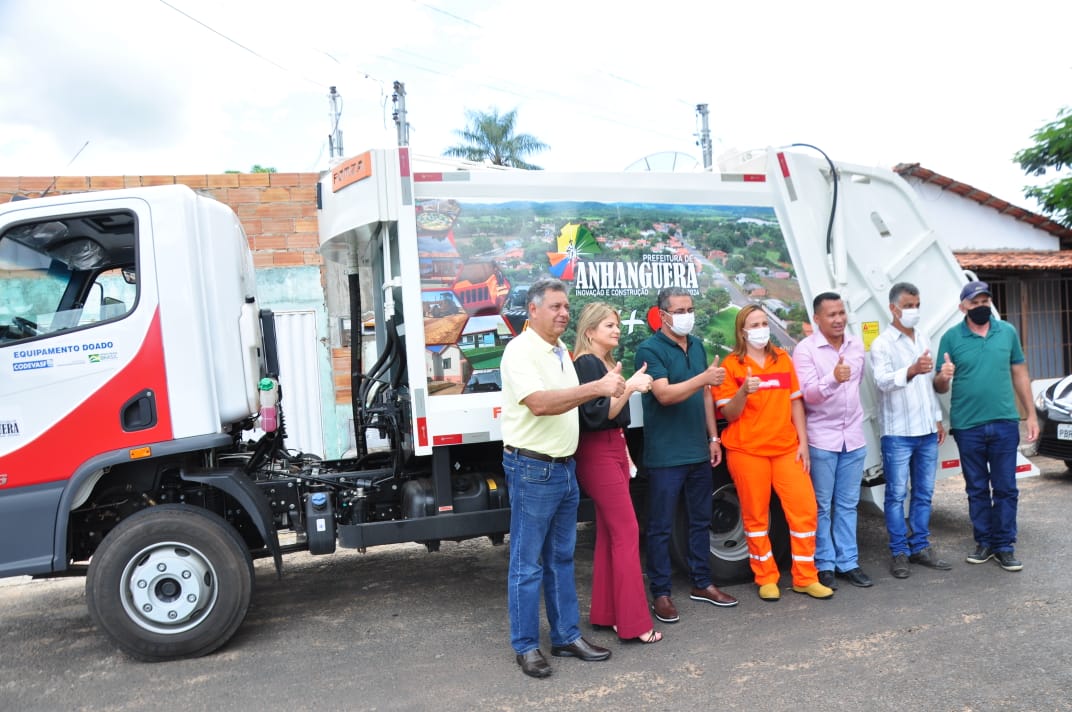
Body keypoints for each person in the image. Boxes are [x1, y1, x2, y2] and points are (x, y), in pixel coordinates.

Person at [500, 279, 624, 678]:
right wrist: (597, 387)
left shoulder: (559, 353)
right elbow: (539, 404)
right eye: (554, 306)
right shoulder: (520, 351)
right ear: (532, 310)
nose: (563, 313)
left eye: (566, 306)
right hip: (533, 468)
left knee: (561, 559)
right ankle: (526, 647)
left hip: (563, 467)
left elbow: (573, 404)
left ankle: (567, 636)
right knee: (527, 563)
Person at [635, 287, 738, 624]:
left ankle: (702, 583)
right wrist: (703, 378)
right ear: (662, 315)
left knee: (701, 519)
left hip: (697, 449)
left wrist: (713, 437)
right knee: (661, 526)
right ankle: (661, 593)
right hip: (666, 454)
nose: (686, 315)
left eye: (689, 309)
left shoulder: (696, 346)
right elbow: (663, 394)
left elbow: (706, 396)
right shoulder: (649, 349)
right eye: (679, 310)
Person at [715, 305, 833, 601]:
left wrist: (803, 443)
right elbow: (729, 414)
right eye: (754, 324)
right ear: (742, 331)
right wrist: (744, 392)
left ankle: (806, 577)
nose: (761, 328)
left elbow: (796, 403)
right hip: (747, 451)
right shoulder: (731, 365)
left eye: (764, 322)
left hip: (785, 449)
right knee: (755, 517)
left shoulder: (782, 358)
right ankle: (766, 576)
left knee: (805, 511)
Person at [935, 280, 1038, 572]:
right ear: (962, 307)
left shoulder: (1007, 332)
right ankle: (984, 543)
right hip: (968, 426)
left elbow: (1019, 372)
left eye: (984, 302)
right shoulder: (951, 338)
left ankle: (1004, 546)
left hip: (1005, 422)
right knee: (977, 488)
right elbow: (939, 386)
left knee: (1006, 488)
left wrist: (1030, 414)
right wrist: (944, 375)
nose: (980, 307)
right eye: (974, 303)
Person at [573, 302, 661, 644]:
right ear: (590, 330)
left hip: (613, 448)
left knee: (612, 535)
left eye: (617, 324)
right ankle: (635, 623)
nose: (616, 329)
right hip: (598, 451)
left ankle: (608, 614)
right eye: (609, 325)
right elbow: (597, 415)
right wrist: (631, 387)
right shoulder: (587, 363)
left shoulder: (602, 363)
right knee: (627, 532)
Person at [869, 282, 952, 578]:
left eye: (916, 305)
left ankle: (920, 546)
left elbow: (928, 388)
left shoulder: (923, 337)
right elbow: (882, 381)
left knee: (924, 493)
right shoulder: (881, 344)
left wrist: (936, 418)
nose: (913, 311)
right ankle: (899, 552)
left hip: (927, 431)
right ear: (892, 308)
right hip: (898, 434)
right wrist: (911, 370)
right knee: (895, 495)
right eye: (908, 306)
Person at [793, 292, 873, 589]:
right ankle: (824, 564)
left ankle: (849, 562)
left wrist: (841, 382)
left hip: (853, 437)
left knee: (848, 504)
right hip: (822, 439)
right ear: (817, 318)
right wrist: (833, 379)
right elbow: (808, 395)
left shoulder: (856, 346)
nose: (839, 319)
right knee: (822, 506)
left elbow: (857, 386)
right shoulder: (805, 350)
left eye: (841, 313)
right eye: (831, 314)